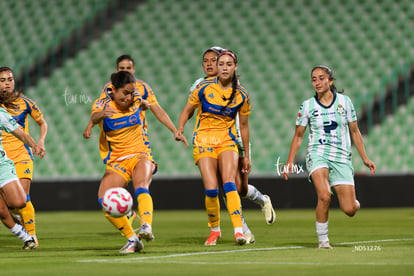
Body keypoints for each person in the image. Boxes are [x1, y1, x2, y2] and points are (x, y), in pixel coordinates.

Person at [188, 47, 276, 244]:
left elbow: (242, 120)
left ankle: (262, 199)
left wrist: (244, 152)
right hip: (211, 141)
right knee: (225, 186)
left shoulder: (234, 86)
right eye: (207, 61)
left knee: (240, 188)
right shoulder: (200, 86)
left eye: (215, 60)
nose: (210, 64)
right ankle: (243, 231)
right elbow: (193, 110)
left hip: (234, 140)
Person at [92, 71, 186, 254]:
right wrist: (102, 115)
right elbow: (94, 118)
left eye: (132, 92)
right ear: (113, 90)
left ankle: (146, 226)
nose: (129, 97)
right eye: (125, 93)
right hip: (117, 161)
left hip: (140, 154)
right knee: (104, 201)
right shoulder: (102, 104)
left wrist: (175, 130)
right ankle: (132, 239)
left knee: (141, 185)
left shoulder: (136, 101)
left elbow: (152, 107)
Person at [283, 65, 376, 249]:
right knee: (325, 195)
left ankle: (353, 202)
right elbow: (299, 135)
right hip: (317, 153)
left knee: (349, 210)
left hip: (341, 157)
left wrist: (364, 157)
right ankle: (323, 241)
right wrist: (289, 161)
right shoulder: (307, 105)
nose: (317, 82)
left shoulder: (345, 102)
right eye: (314, 79)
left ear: (330, 81)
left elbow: (355, 131)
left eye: (321, 78)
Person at [175, 50, 250, 246]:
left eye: (228, 65)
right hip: (204, 140)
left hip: (227, 141)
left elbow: (243, 126)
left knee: (229, 183)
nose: (224, 68)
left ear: (235, 68)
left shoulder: (242, 95)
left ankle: (238, 232)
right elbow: (187, 110)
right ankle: (214, 231)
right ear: (216, 67)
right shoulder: (203, 87)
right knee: (211, 188)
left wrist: (247, 155)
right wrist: (180, 127)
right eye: (221, 64)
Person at [0, 67, 47, 247]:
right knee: (11, 206)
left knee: (23, 198)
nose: (7, 83)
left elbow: (42, 122)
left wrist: (40, 142)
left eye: (10, 79)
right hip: (3, 156)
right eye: (3, 80)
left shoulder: (25, 102)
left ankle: (32, 236)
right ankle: (20, 227)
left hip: (21, 155)